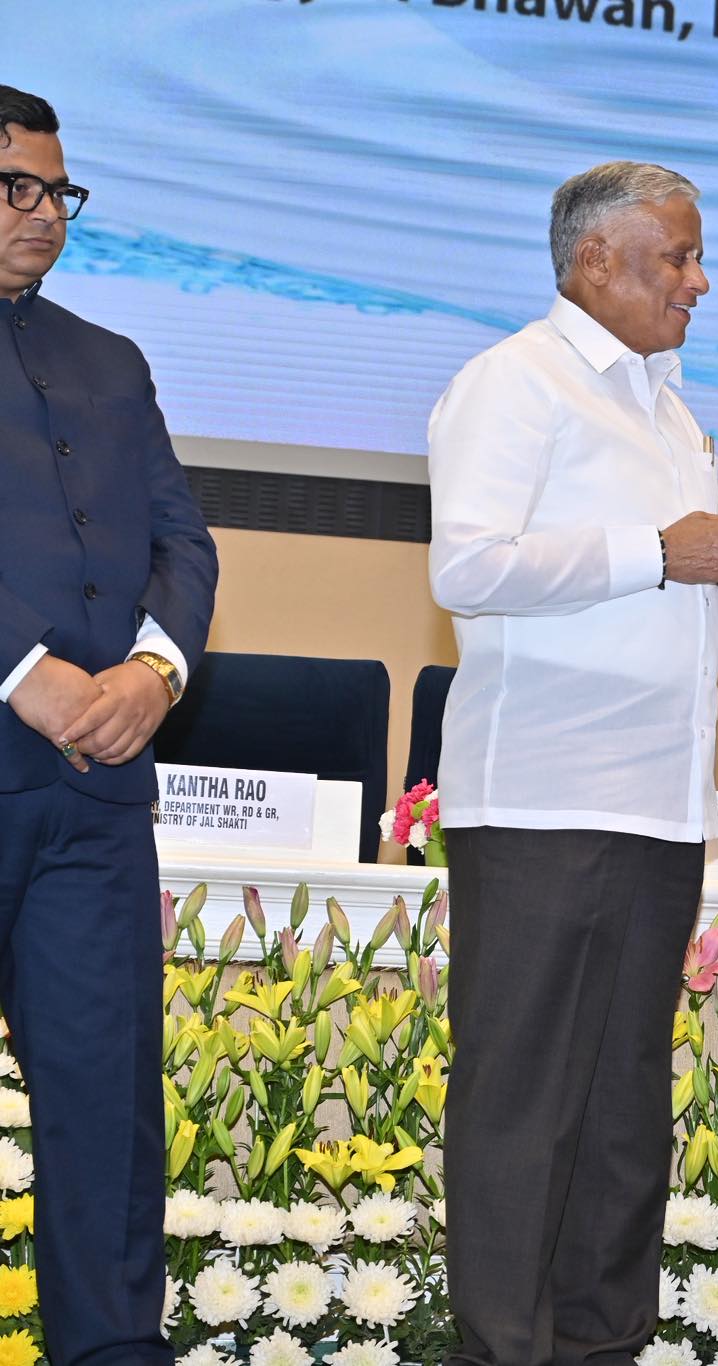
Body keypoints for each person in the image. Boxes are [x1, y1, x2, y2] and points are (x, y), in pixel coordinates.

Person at [428, 161, 718, 1365]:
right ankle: (502, 1349)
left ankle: (600, 1345)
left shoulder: (672, 411)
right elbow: (467, 567)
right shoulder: (513, 381)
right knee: (523, 1105)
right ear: (593, 260)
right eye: (677, 256)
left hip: (656, 801)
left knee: (624, 1112)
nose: (699, 280)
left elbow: (654, 576)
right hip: (542, 796)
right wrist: (659, 551)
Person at [0, 85, 218, 1365]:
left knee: (106, 1121)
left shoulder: (111, 360)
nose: (45, 214)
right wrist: (19, 668)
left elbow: (183, 542)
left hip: (92, 798)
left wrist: (153, 671)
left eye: (58, 191)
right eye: (16, 188)